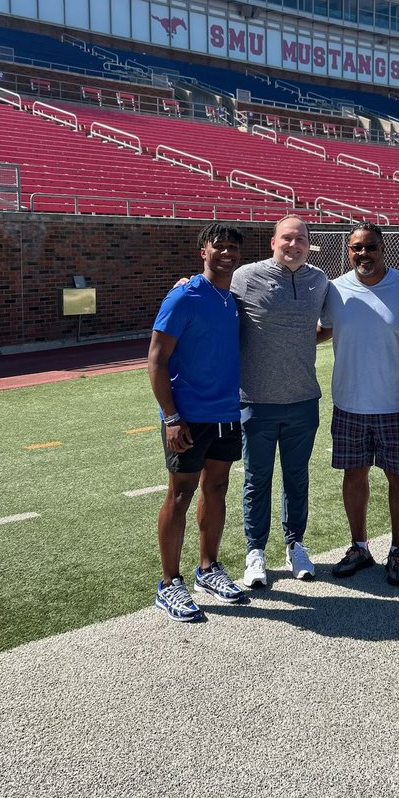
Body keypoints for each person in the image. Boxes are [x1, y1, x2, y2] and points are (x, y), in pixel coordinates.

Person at [148, 223, 249, 622]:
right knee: (180, 493)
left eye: (232, 247)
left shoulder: (233, 299)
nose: (227, 252)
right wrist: (171, 417)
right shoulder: (184, 294)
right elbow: (156, 358)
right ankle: (169, 582)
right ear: (202, 252)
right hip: (188, 416)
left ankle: (208, 569)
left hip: (227, 412)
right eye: (218, 246)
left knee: (218, 488)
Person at [317, 224, 399, 586]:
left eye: (370, 248)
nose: (363, 255)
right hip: (348, 403)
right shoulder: (334, 290)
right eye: (355, 249)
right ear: (348, 251)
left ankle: (397, 550)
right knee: (354, 476)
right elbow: (319, 328)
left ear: (383, 248)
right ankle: (359, 546)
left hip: (396, 405)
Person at [232, 214, 328, 589]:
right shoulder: (246, 276)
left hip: (304, 399)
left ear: (309, 244)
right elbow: (214, 298)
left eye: (301, 239)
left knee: (296, 477)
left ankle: (295, 545)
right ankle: (255, 551)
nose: (294, 245)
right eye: (287, 238)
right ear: (273, 242)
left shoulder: (319, 281)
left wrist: (297, 343)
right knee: (257, 478)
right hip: (256, 400)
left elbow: (331, 325)